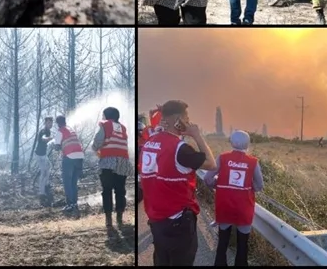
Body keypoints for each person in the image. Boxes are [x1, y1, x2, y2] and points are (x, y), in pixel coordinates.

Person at [140, 100, 217, 266]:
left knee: (161, 259)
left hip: (156, 219)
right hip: (178, 220)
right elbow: (211, 164)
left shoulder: (149, 143)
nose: (189, 122)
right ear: (178, 120)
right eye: (187, 118)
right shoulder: (180, 149)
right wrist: (196, 135)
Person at [202, 131, 263, 266]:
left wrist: (216, 185)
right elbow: (259, 186)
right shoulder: (253, 162)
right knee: (243, 244)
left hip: (225, 205)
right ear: (248, 143)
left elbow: (207, 178)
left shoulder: (222, 158)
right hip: (244, 207)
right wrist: (248, 186)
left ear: (231, 142)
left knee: (223, 241)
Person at [92, 107, 130, 228]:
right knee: (120, 190)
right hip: (123, 161)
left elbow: (98, 141)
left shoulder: (106, 125)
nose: (102, 117)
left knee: (107, 190)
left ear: (107, 116)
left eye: (103, 115)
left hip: (108, 161)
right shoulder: (122, 128)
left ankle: (108, 219)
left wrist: (95, 149)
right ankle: (119, 216)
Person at [50, 114, 84, 216]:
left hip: (69, 157)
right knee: (74, 182)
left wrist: (53, 144)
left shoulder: (60, 131)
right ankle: (74, 203)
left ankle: (70, 204)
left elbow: (56, 147)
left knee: (67, 181)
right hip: (80, 157)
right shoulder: (71, 129)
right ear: (65, 121)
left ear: (57, 124)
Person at [34, 116, 54, 206]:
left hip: (44, 155)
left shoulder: (48, 131)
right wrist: (50, 139)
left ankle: (46, 185)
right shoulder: (43, 131)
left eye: (51, 123)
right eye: (49, 122)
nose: (50, 124)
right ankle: (42, 192)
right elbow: (43, 138)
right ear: (45, 123)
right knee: (44, 172)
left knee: (49, 166)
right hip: (39, 155)